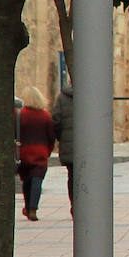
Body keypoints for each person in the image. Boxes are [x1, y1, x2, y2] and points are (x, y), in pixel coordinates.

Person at [16, 85, 56, 221]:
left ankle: (27, 206)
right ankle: (33, 208)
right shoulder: (46, 116)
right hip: (40, 152)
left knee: (26, 181)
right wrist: (48, 150)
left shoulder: (19, 114)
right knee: (37, 180)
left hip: (23, 152)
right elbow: (51, 136)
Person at [50, 83, 75, 214]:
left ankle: (74, 205)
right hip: (88, 147)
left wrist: (61, 137)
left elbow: (56, 120)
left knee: (72, 176)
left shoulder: (62, 97)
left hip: (69, 144)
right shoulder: (92, 95)